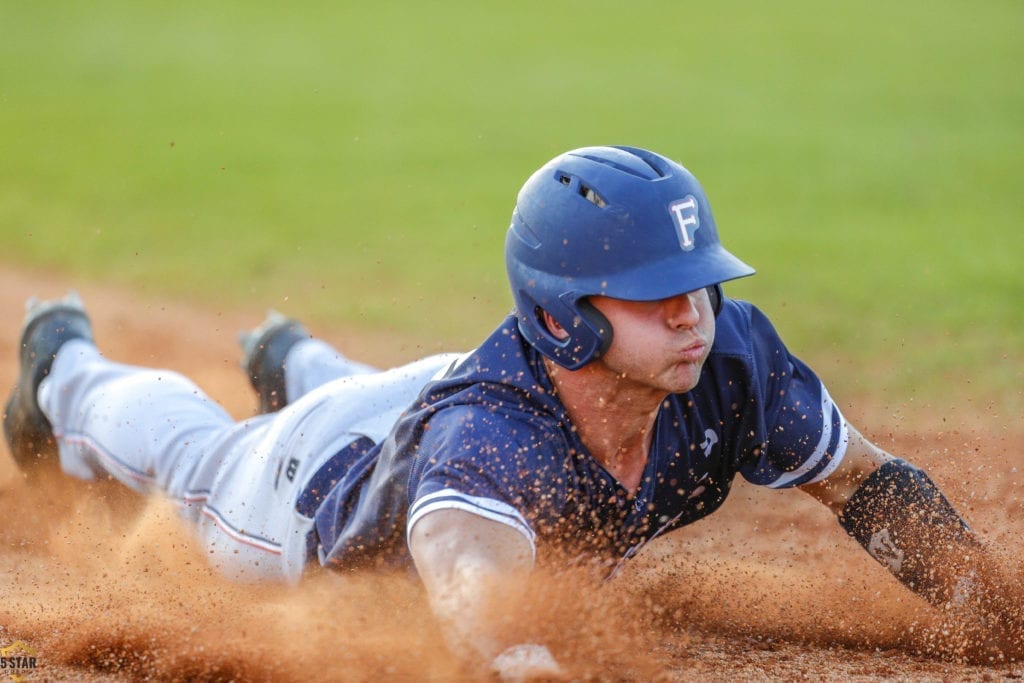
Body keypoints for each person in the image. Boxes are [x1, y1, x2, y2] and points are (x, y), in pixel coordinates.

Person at [4, 146, 1020, 678]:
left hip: (437, 389)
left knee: (405, 385)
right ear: (561, 315)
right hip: (309, 491)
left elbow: (863, 480)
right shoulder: (486, 449)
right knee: (203, 456)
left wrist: (986, 602)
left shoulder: (724, 357)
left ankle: (295, 355)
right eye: (651, 289)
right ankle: (65, 372)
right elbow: (472, 587)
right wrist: (519, 659)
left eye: (697, 278)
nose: (689, 309)